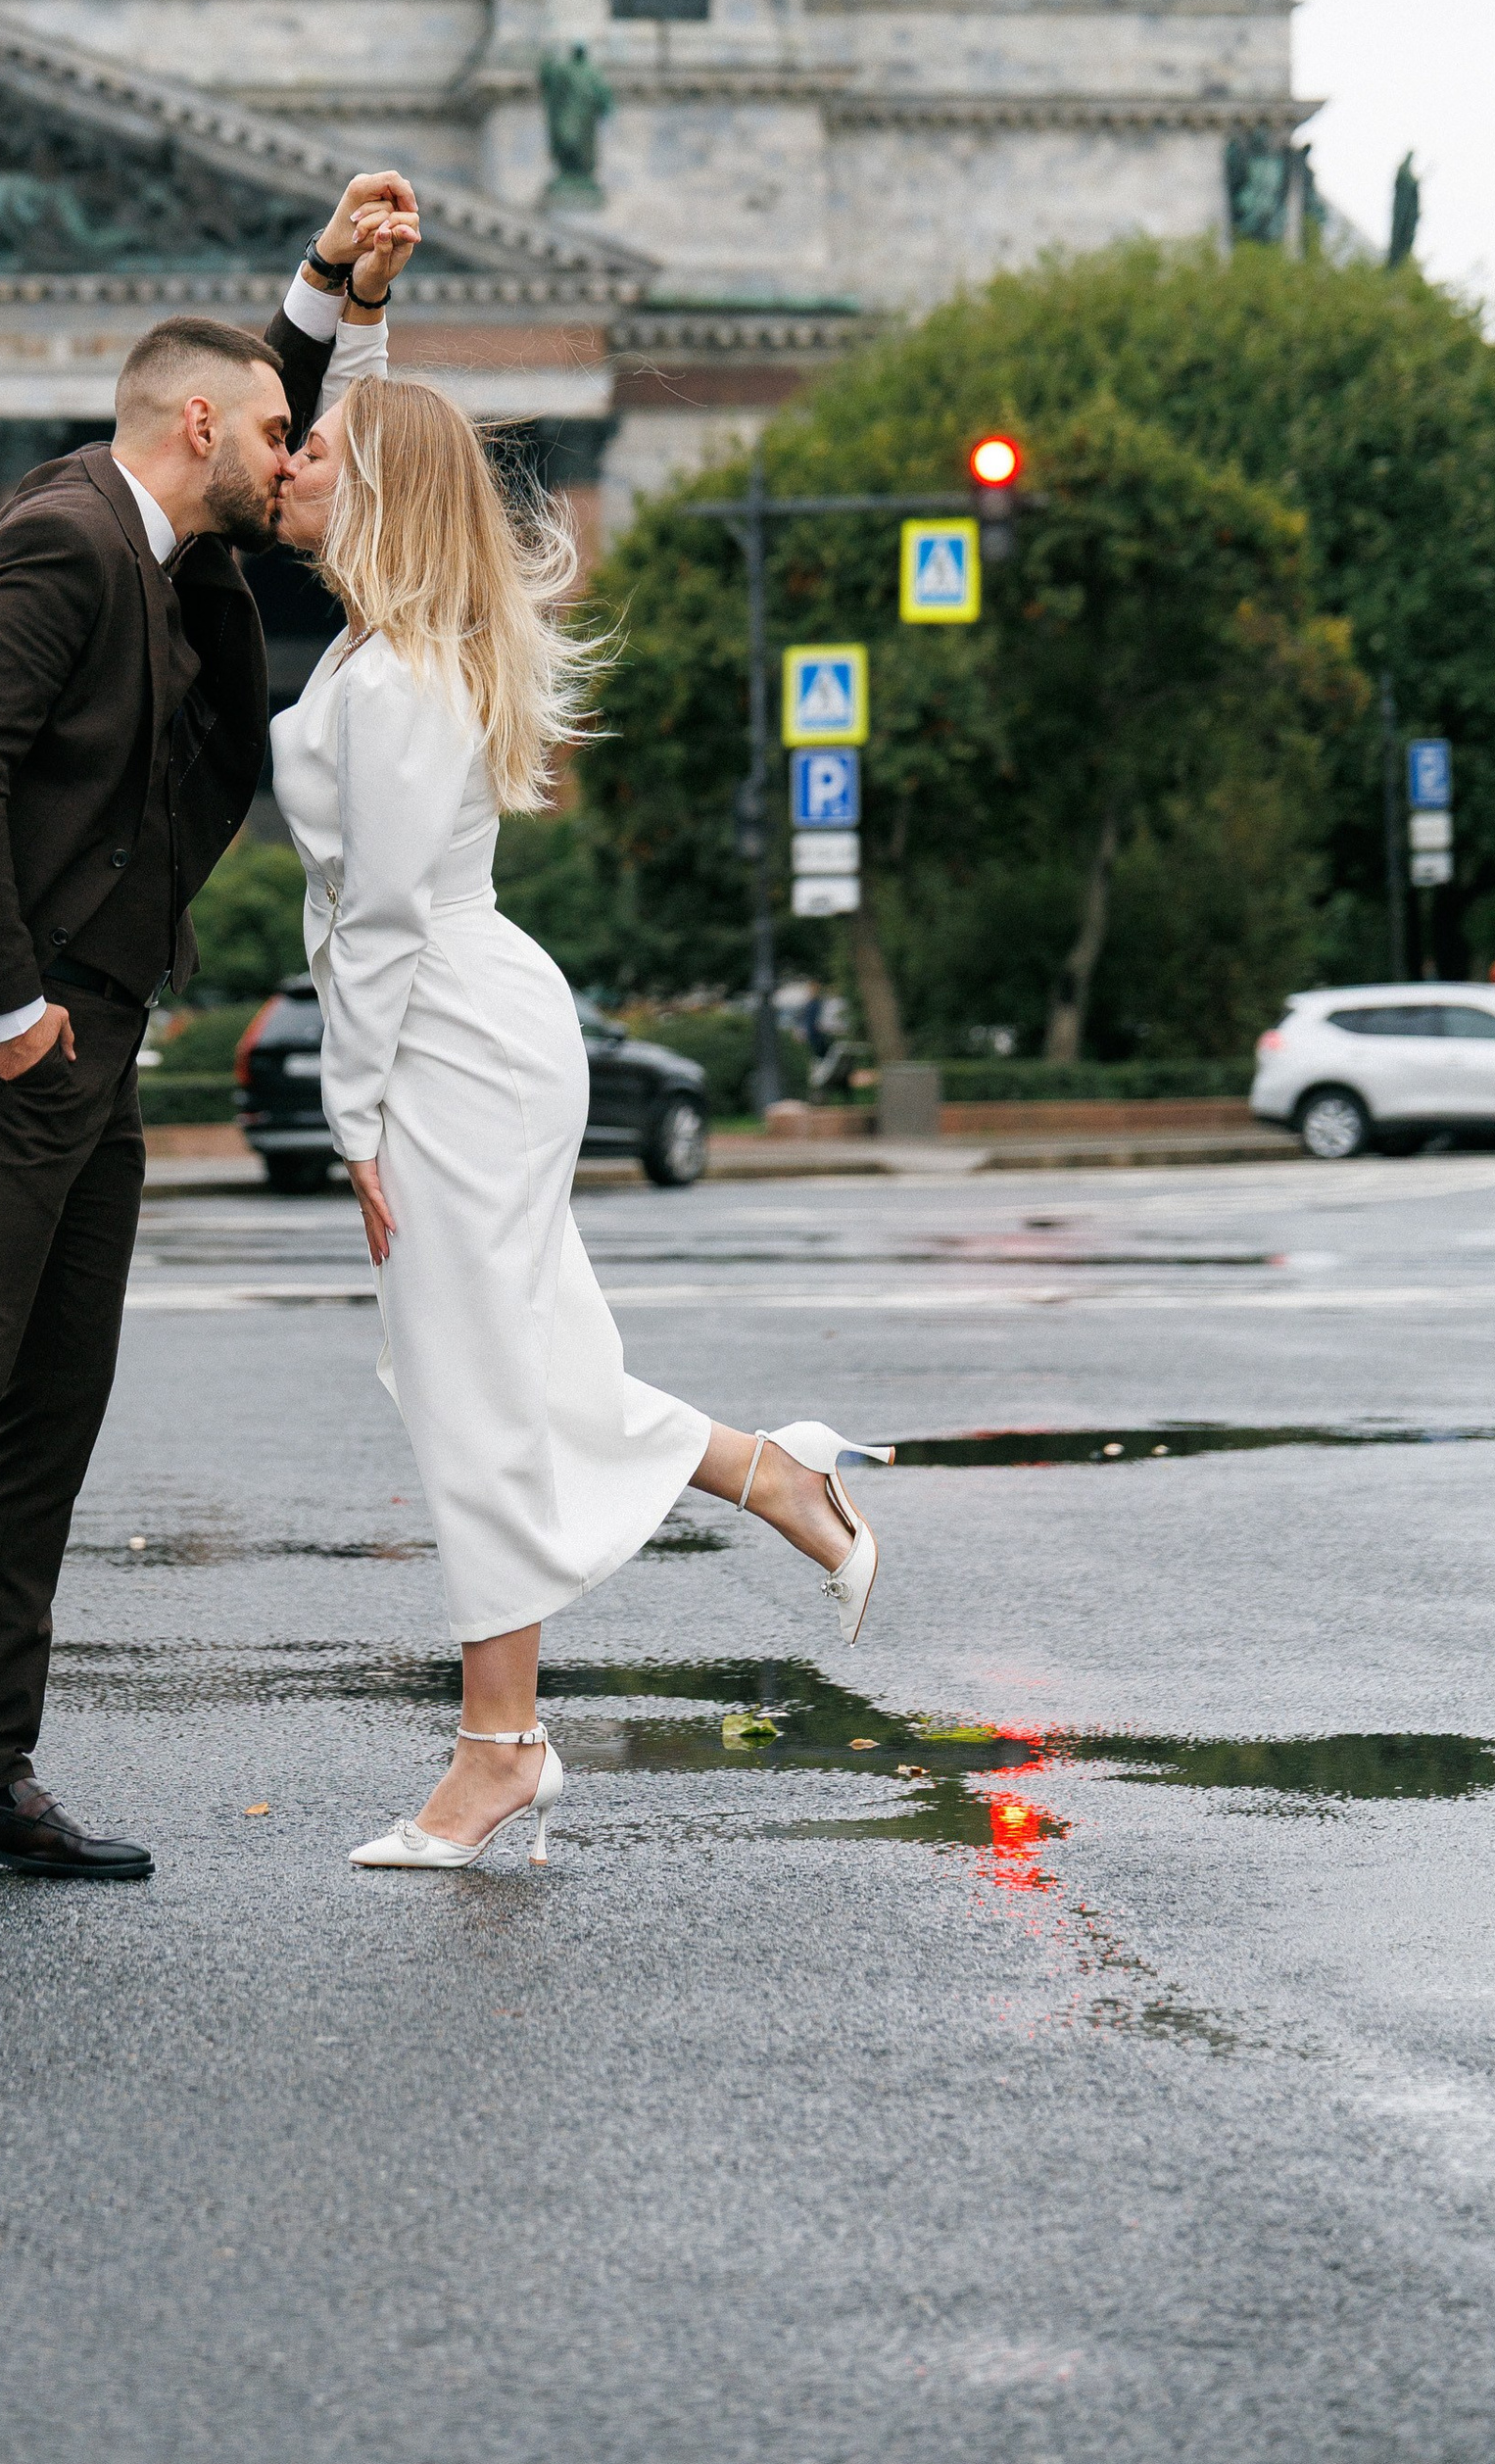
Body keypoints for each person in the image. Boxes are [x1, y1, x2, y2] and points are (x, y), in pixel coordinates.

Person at [0, 170, 420, 1917]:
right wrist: (8, 1016)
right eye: (279, 433)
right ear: (197, 425)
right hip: (10, 1043)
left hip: (96, 1035)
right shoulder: (63, 536)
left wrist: (326, 288)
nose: (299, 460)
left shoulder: (177, 535)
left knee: (50, 1411)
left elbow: (253, 385)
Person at [272, 378, 890, 1874]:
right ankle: (765, 1476)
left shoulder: (402, 678)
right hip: (472, 1031)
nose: (287, 460)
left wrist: (346, 1112)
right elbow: (388, 409)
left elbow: (383, 924)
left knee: (473, 1391)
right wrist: (356, 305)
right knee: (521, 1364)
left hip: (453, 1044)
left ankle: (500, 1750)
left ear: (376, 496)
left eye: (317, 450)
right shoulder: (387, 650)